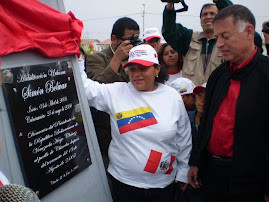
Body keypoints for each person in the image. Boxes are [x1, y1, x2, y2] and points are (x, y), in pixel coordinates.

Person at [79, 44, 192, 202]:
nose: (136, 74)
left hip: (163, 186)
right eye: (132, 69)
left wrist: (183, 169)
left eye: (143, 68)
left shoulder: (172, 96)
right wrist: (76, 58)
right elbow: (86, 90)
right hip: (124, 184)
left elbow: (184, 136)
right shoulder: (116, 92)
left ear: (157, 69)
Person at [188, 5, 269, 202]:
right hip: (212, 174)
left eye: (226, 36)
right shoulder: (218, 75)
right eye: (217, 38)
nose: (220, 44)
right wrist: (196, 162)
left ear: (249, 31)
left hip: (251, 180)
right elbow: (206, 121)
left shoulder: (266, 74)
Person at [85, 17, 140, 169]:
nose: (132, 45)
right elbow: (96, 90)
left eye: (136, 40)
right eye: (129, 40)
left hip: (134, 129)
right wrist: (117, 59)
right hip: (107, 133)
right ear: (114, 39)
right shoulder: (96, 58)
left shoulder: (136, 59)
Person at [162, 0, 233, 85]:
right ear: (200, 21)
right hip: (192, 96)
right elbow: (169, 31)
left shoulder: (227, 42)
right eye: (204, 14)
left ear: (220, 19)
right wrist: (170, 4)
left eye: (212, 13)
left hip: (218, 96)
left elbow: (233, 14)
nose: (208, 17)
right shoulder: (189, 39)